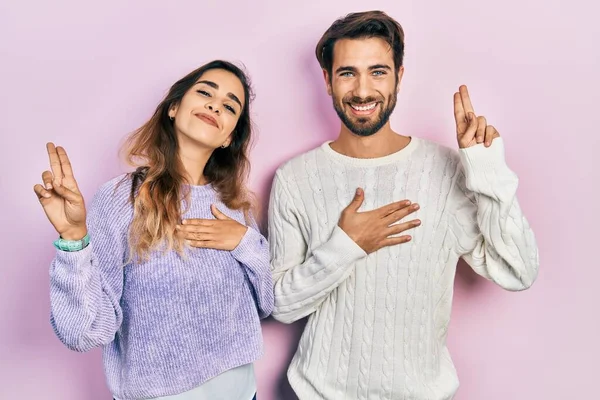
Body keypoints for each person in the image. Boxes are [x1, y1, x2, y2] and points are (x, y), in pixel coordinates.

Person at [268, 10, 539, 400]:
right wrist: (346, 247)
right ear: (327, 80)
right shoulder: (294, 178)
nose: (362, 91)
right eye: (348, 73)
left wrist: (488, 172)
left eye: (378, 71)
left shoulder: (444, 169)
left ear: (399, 76)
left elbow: (519, 271)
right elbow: (281, 305)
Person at [33, 60, 274, 400]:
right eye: (205, 92)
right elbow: (84, 332)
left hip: (242, 392)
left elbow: (265, 303)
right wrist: (73, 239)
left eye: (230, 106)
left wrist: (245, 242)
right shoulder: (121, 198)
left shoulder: (236, 205)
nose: (215, 105)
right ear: (174, 108)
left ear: (229, 136)